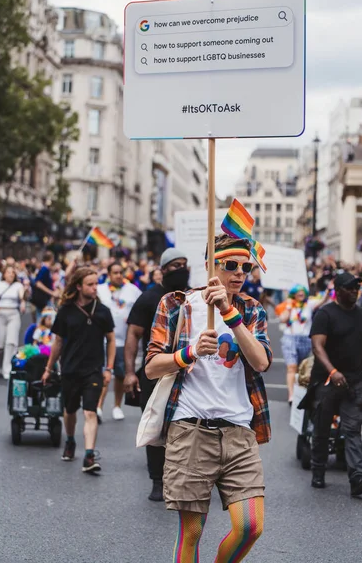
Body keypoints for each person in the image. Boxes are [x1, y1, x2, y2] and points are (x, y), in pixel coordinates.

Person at [145, 235, 272, 562]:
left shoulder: (251, 309)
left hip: (239, 431)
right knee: (192, 532)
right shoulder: (176, 304)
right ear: (208, 266)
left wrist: (229, 314)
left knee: (250, 527)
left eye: (245, 267)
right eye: (230, 265)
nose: (239, 272)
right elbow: (151, 367)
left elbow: (260, 362)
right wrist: (188, 353)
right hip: (190, 428)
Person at [124, 247, 189, 502]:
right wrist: (130, 372)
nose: (181, 270)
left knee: (183, 426)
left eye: (184, 264)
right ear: (163, 270)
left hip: (185, 372)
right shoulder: (148, 298)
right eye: (175, 265)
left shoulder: (191, 296)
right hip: (154, 373)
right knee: (155, 427)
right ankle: (157, 480)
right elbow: (133, 334)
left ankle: (183, 477)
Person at [41, 268, 115, 473]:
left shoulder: (103, 311)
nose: (94, 288)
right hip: (70, 369)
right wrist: (48, 369)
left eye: (96, 284)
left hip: (93, 370)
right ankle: (71, 441)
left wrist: (108, 368)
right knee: (70, 410)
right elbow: (57, 343)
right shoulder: (65, 311)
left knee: (90, 411)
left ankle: (89, 455)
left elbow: (110, 340)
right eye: (90, 284)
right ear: (79, 286)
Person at [309, 272, 362, 496]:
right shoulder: (325, 314)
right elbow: (317, 347)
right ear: (338, 290)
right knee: (322, 428)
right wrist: (333, 371)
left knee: (353, 428)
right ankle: (318, 471)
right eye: (350, 288)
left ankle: (357, 476)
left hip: (353, 382)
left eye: (357, 287)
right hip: (328, 380)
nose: (355, 291)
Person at [97, 261, 141, 421]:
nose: (118, 275)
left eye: (120, 272)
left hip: (123, 340)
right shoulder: (100, 290)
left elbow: (140, 308)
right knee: (103, 373)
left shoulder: (132, 290)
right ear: (108, 275)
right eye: (114, 273)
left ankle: (117, 406)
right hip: (102, 340)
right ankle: (98, 407)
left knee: (121, 375)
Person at [279, 284, 331, 404]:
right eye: (298, 292)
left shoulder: (309, 304)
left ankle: (300, 393)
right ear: (294, 294)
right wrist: (288, 306)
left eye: (302, 292)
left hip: (305, 340)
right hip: (290, 339)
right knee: (291, 367)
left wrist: (328, 292)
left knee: (302, 369)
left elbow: (323, 301)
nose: (300, 294)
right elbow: (283, 319)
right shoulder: (289, 305)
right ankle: (291, 395)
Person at [0, 266, 26, 379]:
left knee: (11, 343)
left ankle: (7, 369)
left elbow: (22, 296)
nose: (11, 275)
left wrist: (22, 301)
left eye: (13, 273)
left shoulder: (18, 285)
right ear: (4, 274)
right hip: (0, 314)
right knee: (0, 345)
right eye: (8, 272)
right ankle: (1, 362)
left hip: (13, 314)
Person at [32, 252, 59, 320]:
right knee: (45, 319)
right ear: (51, 259)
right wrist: (51, 292)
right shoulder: (44, 269)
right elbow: (38, 283)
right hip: (43, 300)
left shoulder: (45, 268)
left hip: (44, 299)